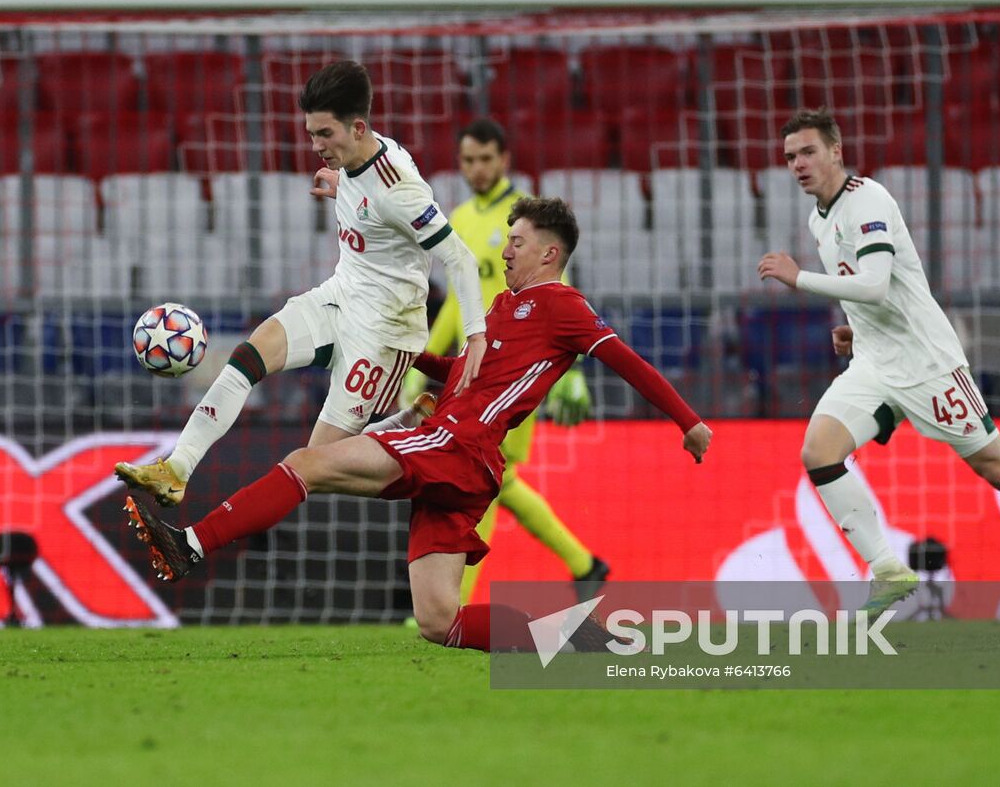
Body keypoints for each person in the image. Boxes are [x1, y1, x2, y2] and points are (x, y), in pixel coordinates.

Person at [122, 197, 712, 651]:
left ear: (549, 254)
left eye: (517, 242)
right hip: (466, 464)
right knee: (438, 622)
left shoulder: (564, 305)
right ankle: (573, 640)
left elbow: (627, 361)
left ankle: (191, 545)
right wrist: (409, 356)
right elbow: (465, 373)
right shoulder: (504, 307)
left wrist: (687, 421)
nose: (506, 251)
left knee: (306, 464)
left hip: (456, 445)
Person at [757, 109, 1000, 634]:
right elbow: (874, 296)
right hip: (875, 363)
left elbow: (876, 283)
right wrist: (857, 329)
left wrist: (799, 278)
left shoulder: (868, 200)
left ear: (836, 151)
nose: (798, 164)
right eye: (790, 156)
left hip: (928, 364)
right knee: (818, 452)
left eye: (808, 151)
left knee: (997, 467)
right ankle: (887, 570)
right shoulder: (820, 219)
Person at [115, 60, 487, 506]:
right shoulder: (362, 160)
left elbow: (459, 258)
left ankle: (404, 426)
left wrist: (475, 337)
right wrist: (344, 187)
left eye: (324, 134)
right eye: (311, 134)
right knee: (249, 356)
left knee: (312, 466)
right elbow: (370, 196)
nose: (315, 146)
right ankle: (177, 468)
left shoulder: (399, 190)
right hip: (339, 297)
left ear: (358, 128)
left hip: (384, 334)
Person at [406, 118, 608, 603]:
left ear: (504, 160)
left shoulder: (527, 220)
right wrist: (421, 362)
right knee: (497, 478)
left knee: (482, 478)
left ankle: (455, 603)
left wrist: (574, 371)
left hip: (518, 371)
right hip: (473, 371)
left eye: (485, 159)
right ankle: (585, 565)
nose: (476, 168)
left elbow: (560, 293)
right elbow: (457, 304)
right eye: (468, 160)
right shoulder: (458, 218)